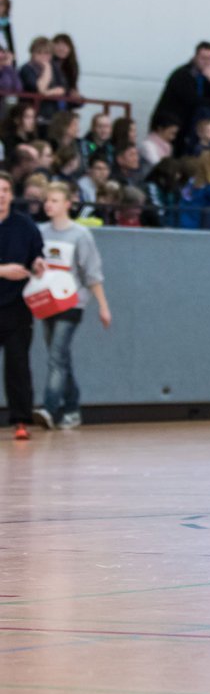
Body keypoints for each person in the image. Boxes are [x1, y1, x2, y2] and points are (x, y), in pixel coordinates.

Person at [30, 182, 109, 430]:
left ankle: (49, 409)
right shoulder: (40, 231)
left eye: (54, 200)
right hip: (46, 300)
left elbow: (92, 273)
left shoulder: (80, 235)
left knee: (56, 357)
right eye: (46, 201)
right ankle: (73, 408)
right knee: (61, 358)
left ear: (67, 204)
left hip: (72, 301)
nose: (48, 205)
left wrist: (103, 306)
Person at [0, 170, 46, 440]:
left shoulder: (25, 225)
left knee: (18, 364)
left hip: (17, 306)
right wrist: (3, 271)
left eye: (5, 190)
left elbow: (37, 256)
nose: (1, 195)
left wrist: (38, 264)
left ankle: (20, 420)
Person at [152, 41, 210, 154]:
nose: (206, 62)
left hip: (191, 122)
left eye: (209, 59)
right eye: (203, 58)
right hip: (173, 120)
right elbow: (192, 100)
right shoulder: (182, 74)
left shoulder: (206, 76)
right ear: (195, 57)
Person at [18, 37, 68, 123]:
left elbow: (63, 88)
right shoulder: (26, 68)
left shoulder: (55, 67)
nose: (43, 56)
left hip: (53, 114)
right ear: (32, 53)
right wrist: (47, 68)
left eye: (47, 53)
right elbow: (39, 88)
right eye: (39, 53)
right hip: (33, 115)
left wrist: (47, 93)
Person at [51, 34, 83, 107]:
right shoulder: (47, 65)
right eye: (58, 45)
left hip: (64, 109)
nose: (61, 48)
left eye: (65, 45)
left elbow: (71, 90)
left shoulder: (72, 67)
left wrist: (77, 99)